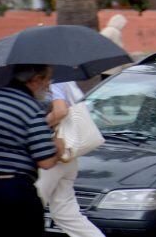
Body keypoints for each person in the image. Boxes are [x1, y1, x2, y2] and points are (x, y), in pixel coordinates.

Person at [0, 64, 65, 237]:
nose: (48, 87)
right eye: (48, 80)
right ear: (35, 80)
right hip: (11, 190)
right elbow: (46, 161)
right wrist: (58, 147)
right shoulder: (31, 108)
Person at [37, 81, 105, 237]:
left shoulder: (52, 80)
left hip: (50, 155)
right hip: (67, 156)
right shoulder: (63, 79)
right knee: (67, 214)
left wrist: (35, 126)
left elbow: (60, 111)